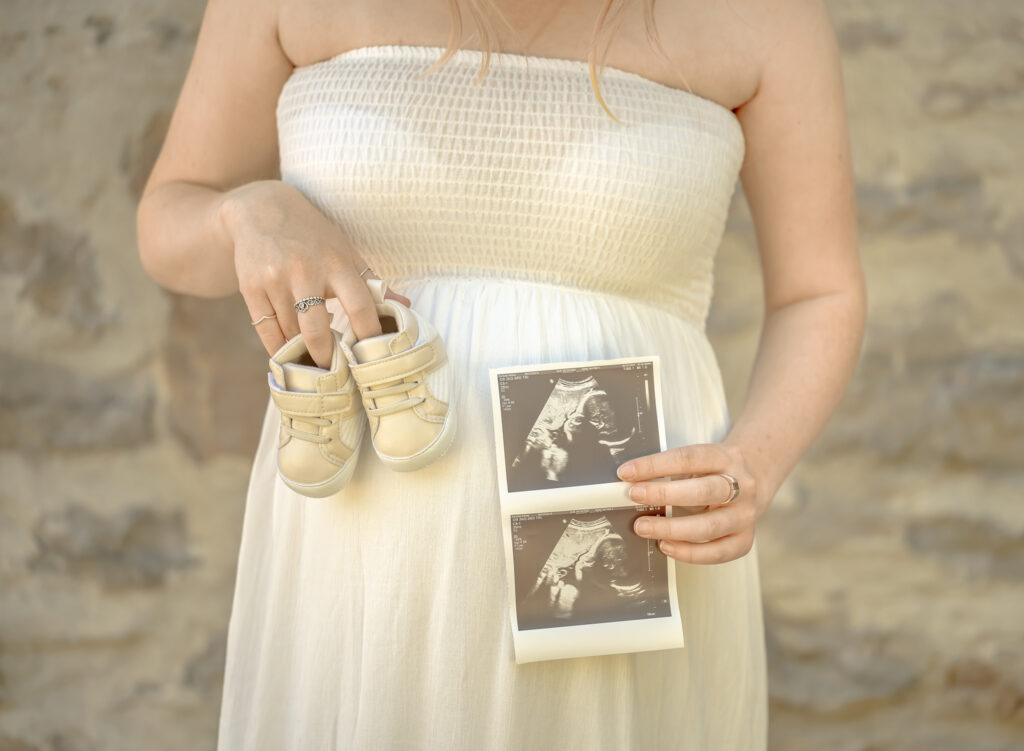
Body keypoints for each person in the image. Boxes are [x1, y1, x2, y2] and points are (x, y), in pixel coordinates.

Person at [135, 0, 866, 746]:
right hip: (362, 551)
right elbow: (168, 220)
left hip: (626, 542)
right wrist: (245, 213)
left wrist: (757, 462)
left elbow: (820, 291)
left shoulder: (769, 19)